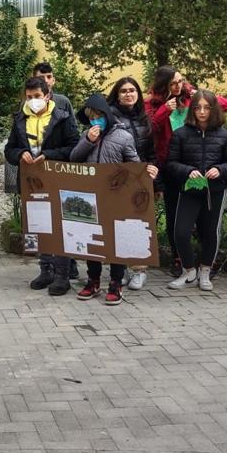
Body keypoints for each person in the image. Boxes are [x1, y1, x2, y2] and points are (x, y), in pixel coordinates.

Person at [145, 66, 227, 277]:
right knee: (175, 216)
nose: (178, 86)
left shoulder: (189, 97)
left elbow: (224, 106)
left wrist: (197, 95)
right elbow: (148, 129)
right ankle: (179, 259)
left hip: (197, 165)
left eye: (181, 81)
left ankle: (206, 261)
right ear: (163, 84)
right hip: (171, 166)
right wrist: (164, 109)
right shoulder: (152, 103)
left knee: (204, 218)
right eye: (173, 83)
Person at [70, 94, 151, 304]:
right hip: (91, 196)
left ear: (106, 115)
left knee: (116, 241)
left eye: (98, 116)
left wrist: (145, 171)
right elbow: (74, 158)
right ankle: (93, 279)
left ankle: (115, 282)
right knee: (92, 240)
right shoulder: (86, 134)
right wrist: (89, 141)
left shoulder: (123, 137)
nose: (95, 121)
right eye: (91, 118)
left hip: (116, 196)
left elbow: (134, 164)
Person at [4, 77, 80, 294]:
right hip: (31, 183)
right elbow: (9, 150)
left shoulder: (63, 118)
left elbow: (74, 147)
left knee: (60, 227)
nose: (33, 101)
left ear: (47, 96)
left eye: (37, 96)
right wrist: (20, 153)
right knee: (39, 227)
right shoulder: (20, 119)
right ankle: (45, 270)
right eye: (29, 97)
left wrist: (48, 154)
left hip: (57, 179)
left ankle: (62, 275)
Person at [165, 90, 227, 293]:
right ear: (192, 110)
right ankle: (189, 272)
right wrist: (188, 171)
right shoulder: (181, 133)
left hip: (215, 191)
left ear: (214, 109)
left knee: (211, 233)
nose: (202, 112)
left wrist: (221, 170)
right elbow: (170, 164)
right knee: (180, 232)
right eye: (197, 107)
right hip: (189, 191)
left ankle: (205, 271)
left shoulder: (224, 134)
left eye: (207, 107)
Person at [107, 77, 159, 290]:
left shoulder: (145, 118)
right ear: (117, 95)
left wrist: (156, 176)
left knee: (138, 222)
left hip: (141, 178)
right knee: (119, 224)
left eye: (132, 90)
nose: (128, 94)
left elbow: (151, 152)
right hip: (117, 179)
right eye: (124, 91)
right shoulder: (110, 117)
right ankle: (124, 268)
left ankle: (139, 270)